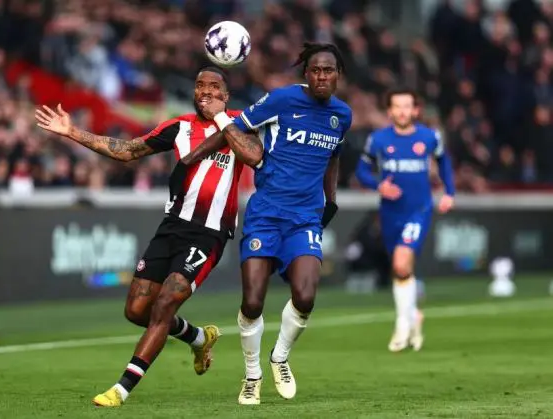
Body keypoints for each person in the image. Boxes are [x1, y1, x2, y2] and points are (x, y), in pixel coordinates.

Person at [34, 66, 263, 407]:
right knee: (137, 310)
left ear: (225, 96)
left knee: (166, 303)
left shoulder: (239, 124)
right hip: (172, 228)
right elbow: (127, 150)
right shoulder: (180, 127)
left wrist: (223, 120)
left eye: (214, 87)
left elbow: (254, 155)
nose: (206, 91)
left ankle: (121, 388)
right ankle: (199, 338)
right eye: (200, 85)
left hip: (209, 233)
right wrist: (72, 133)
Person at [176, 42, 352, 405]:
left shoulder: (342, 115)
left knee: (305, 296)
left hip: (304, 217)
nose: (322, 76)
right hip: (266, 214)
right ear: (306, 74)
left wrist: (330, 200)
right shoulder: (282, 100)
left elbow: (333, 156)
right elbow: (233, 130)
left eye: (329, 70)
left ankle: (280, 358)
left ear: (338, 75)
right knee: (253, 301)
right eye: (316, 70)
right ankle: (252, 374)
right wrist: (192, 157)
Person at [354, 87, 455, 353]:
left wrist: (449, 192)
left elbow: (444, 163)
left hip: (419, 210)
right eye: (397, 106)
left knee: (400, 264)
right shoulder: (377, 140)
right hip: (390, 212)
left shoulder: (429, 137)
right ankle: (413, 316)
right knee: (401, 269)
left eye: (407, 106)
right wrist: (378, 185)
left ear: (416, 110)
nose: (402, 111)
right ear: (389, 111)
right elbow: (362, 170)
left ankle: (401, 324)